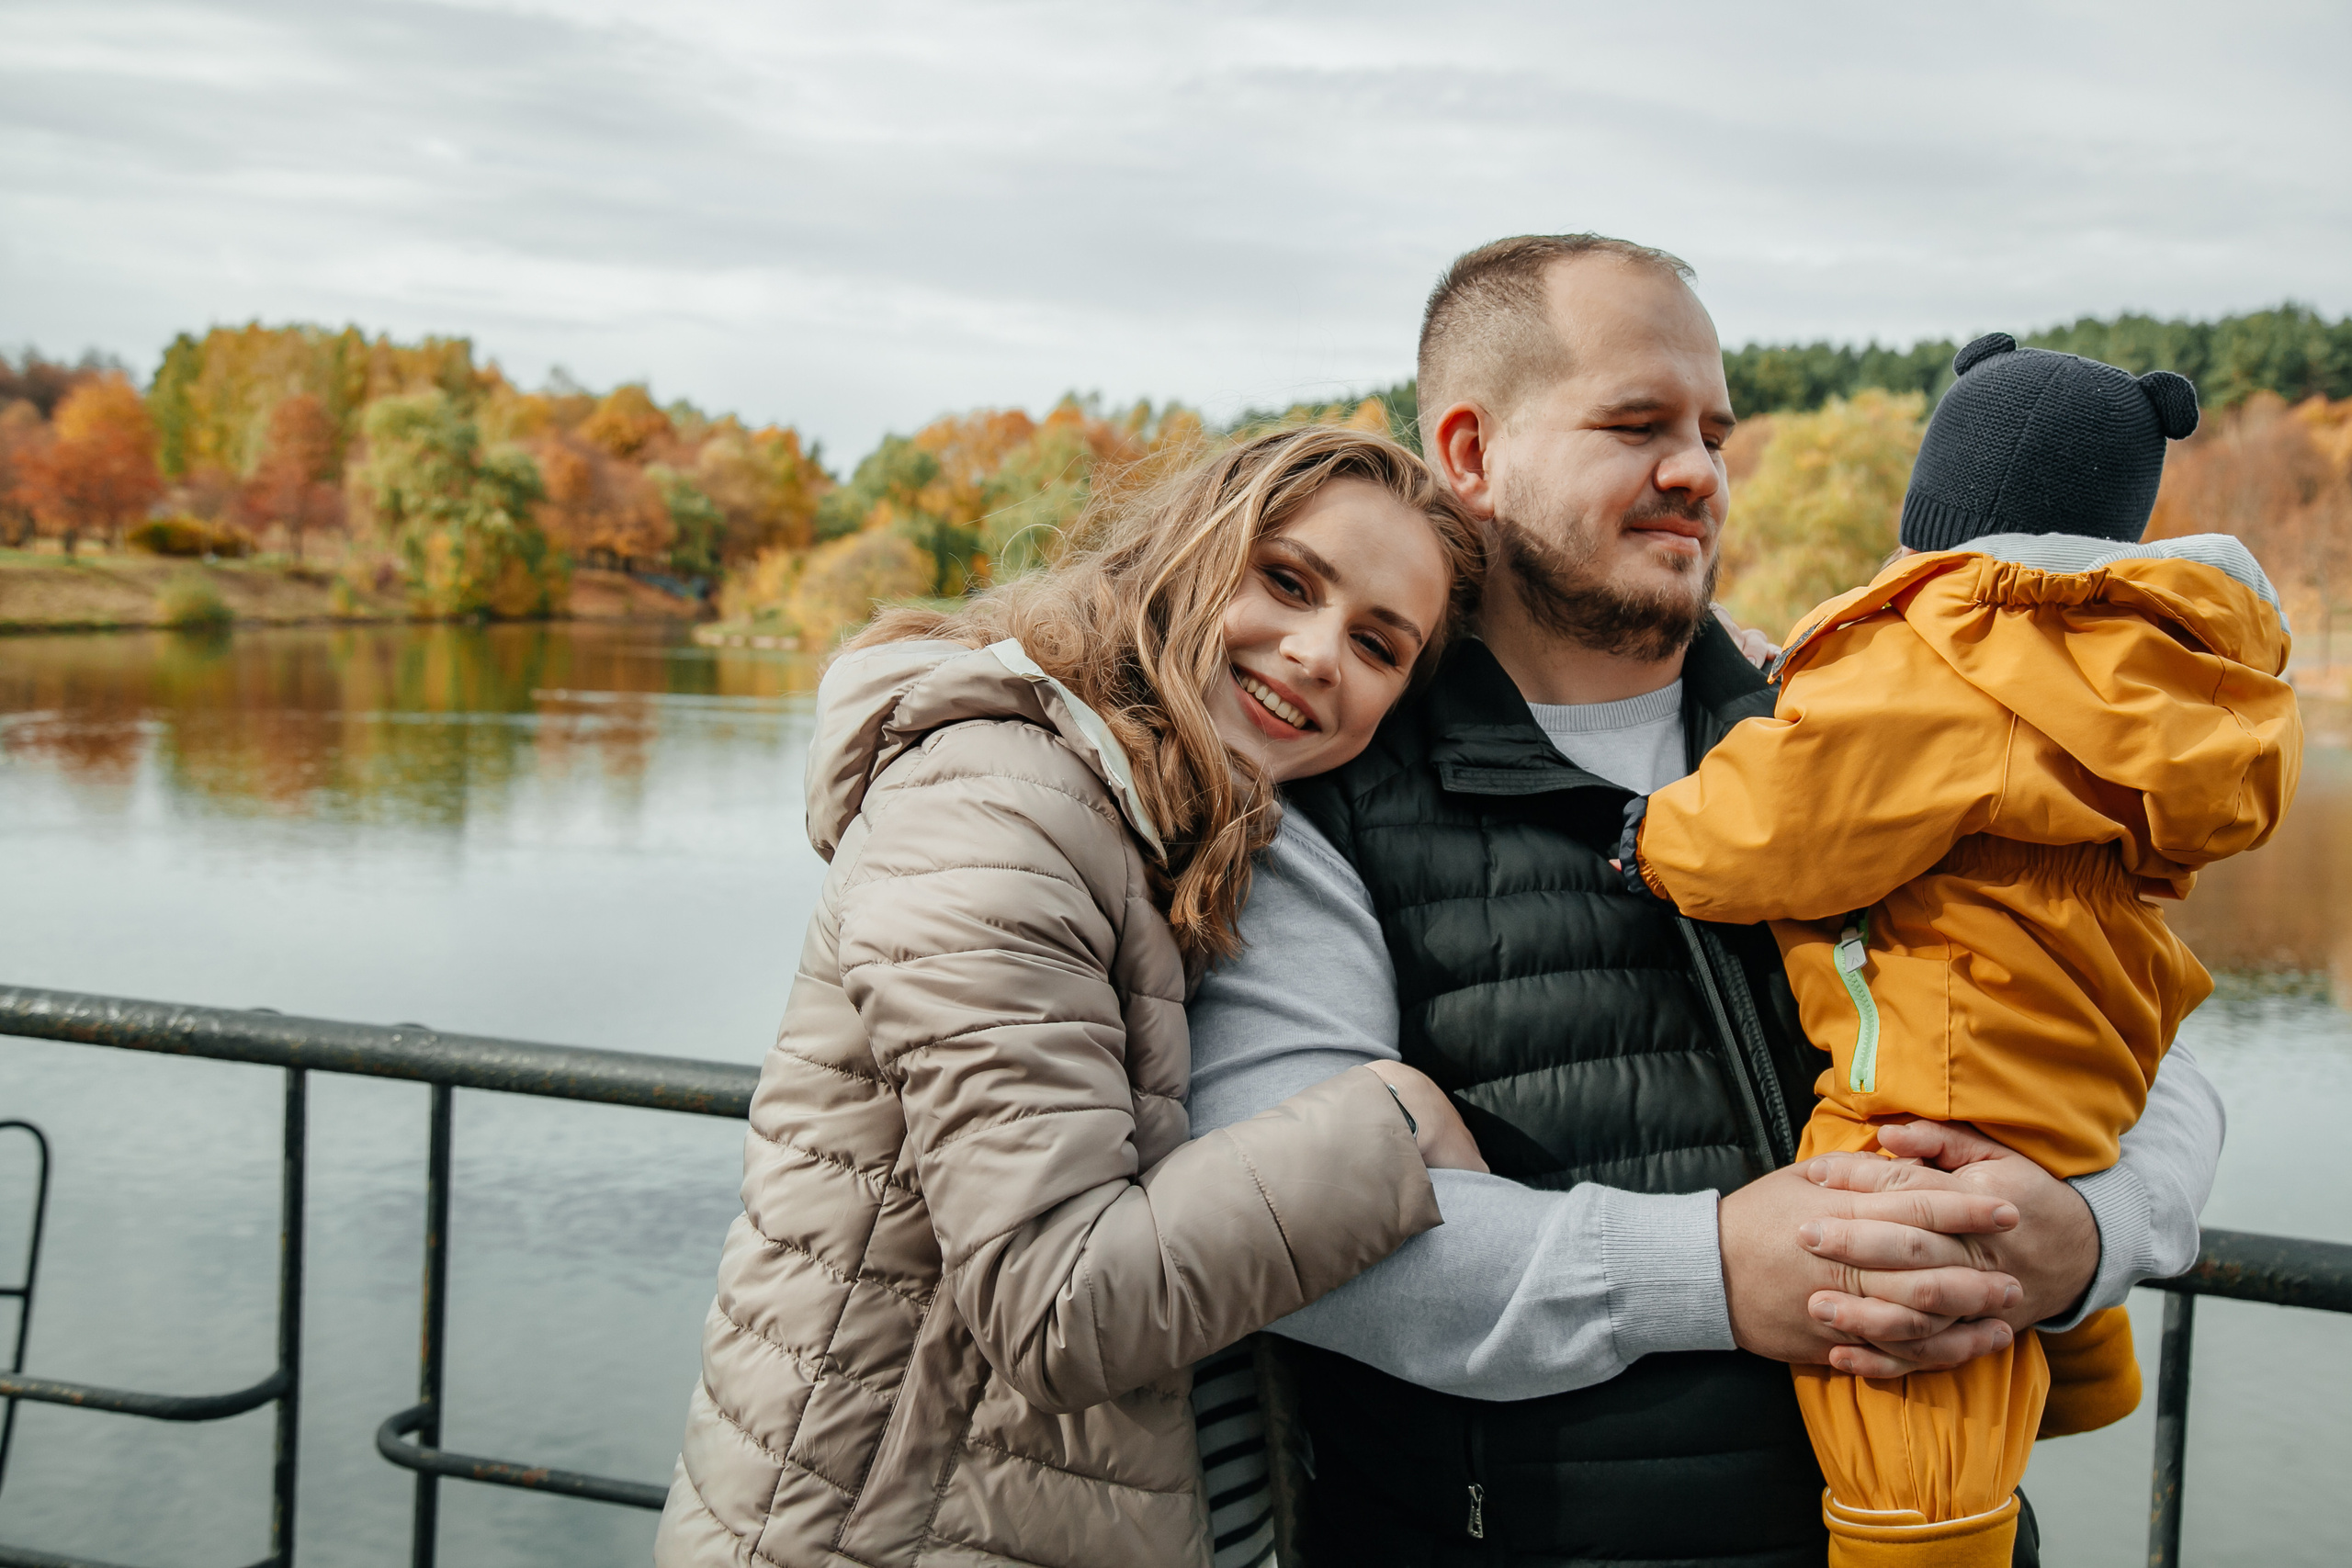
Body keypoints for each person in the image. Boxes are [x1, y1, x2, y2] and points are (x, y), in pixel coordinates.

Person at [1187, 236, 2227, 1567]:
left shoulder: (1866, 724)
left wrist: (2090, 1232)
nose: (1698, 471)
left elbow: (2157, 1041)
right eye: (1636, 425)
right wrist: (1721, 1269)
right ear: (1471, 452)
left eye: (1713, 433)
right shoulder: (1326, 791)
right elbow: (1295, 1233)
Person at [654, 424, 1490, 1568]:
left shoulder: (1158, 819)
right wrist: (1394, 1122)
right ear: (1188, 554)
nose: (1313, 653)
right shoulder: (995, 810)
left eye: (1378, 646)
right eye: (1286, 582)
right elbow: (1058, 1307)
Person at [1619, 334, 2300, 1564]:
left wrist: (1657, 839)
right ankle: (2084, 1359)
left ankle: (1924, 1535)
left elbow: (1790, 819)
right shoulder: (2148, 661)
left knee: (1906, 1319)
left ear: (1941, 508)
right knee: (2047, 1172)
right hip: (2093, 1035)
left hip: (1942, 1057)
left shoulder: (1942, 652)